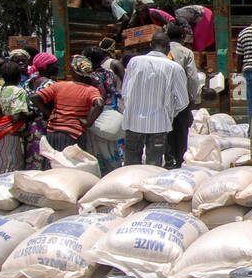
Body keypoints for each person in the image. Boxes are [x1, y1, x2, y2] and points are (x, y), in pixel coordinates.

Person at [120, 33, 190, 167]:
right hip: (159, 124)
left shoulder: (134, 62)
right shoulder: (174, 68)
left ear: (151, 45)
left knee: (130, 165)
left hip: (133, 122)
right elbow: (183, 101)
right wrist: (169, 113)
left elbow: (125, 91)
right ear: (168, 48)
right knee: (153, 166)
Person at [34, 57, 104, 153]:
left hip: (53, 132)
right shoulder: (91, 90)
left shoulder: (59, 85)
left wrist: (48, 113)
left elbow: (35, 98)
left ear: (73, 72)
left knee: (54, 164)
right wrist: (88, 122)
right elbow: (99, 105)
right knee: (71, 165)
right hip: (74, 134)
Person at [165, 23, 204, 168]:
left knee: (166, 127)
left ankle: (168, 158)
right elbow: (192, 77)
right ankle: (179, 160)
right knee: (181, 129)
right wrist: (196, 98)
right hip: (181, 97)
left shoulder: (162, 49)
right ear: (183, 37)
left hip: (163, 97)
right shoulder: (186, 52)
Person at [80, 46, 122, 173]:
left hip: (97, 113)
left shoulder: (91, 77)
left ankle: (103, 173)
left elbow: (98, 99)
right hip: (110, 112)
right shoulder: (109, 73)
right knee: (110, 145)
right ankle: (114, 171)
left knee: (98, 146)